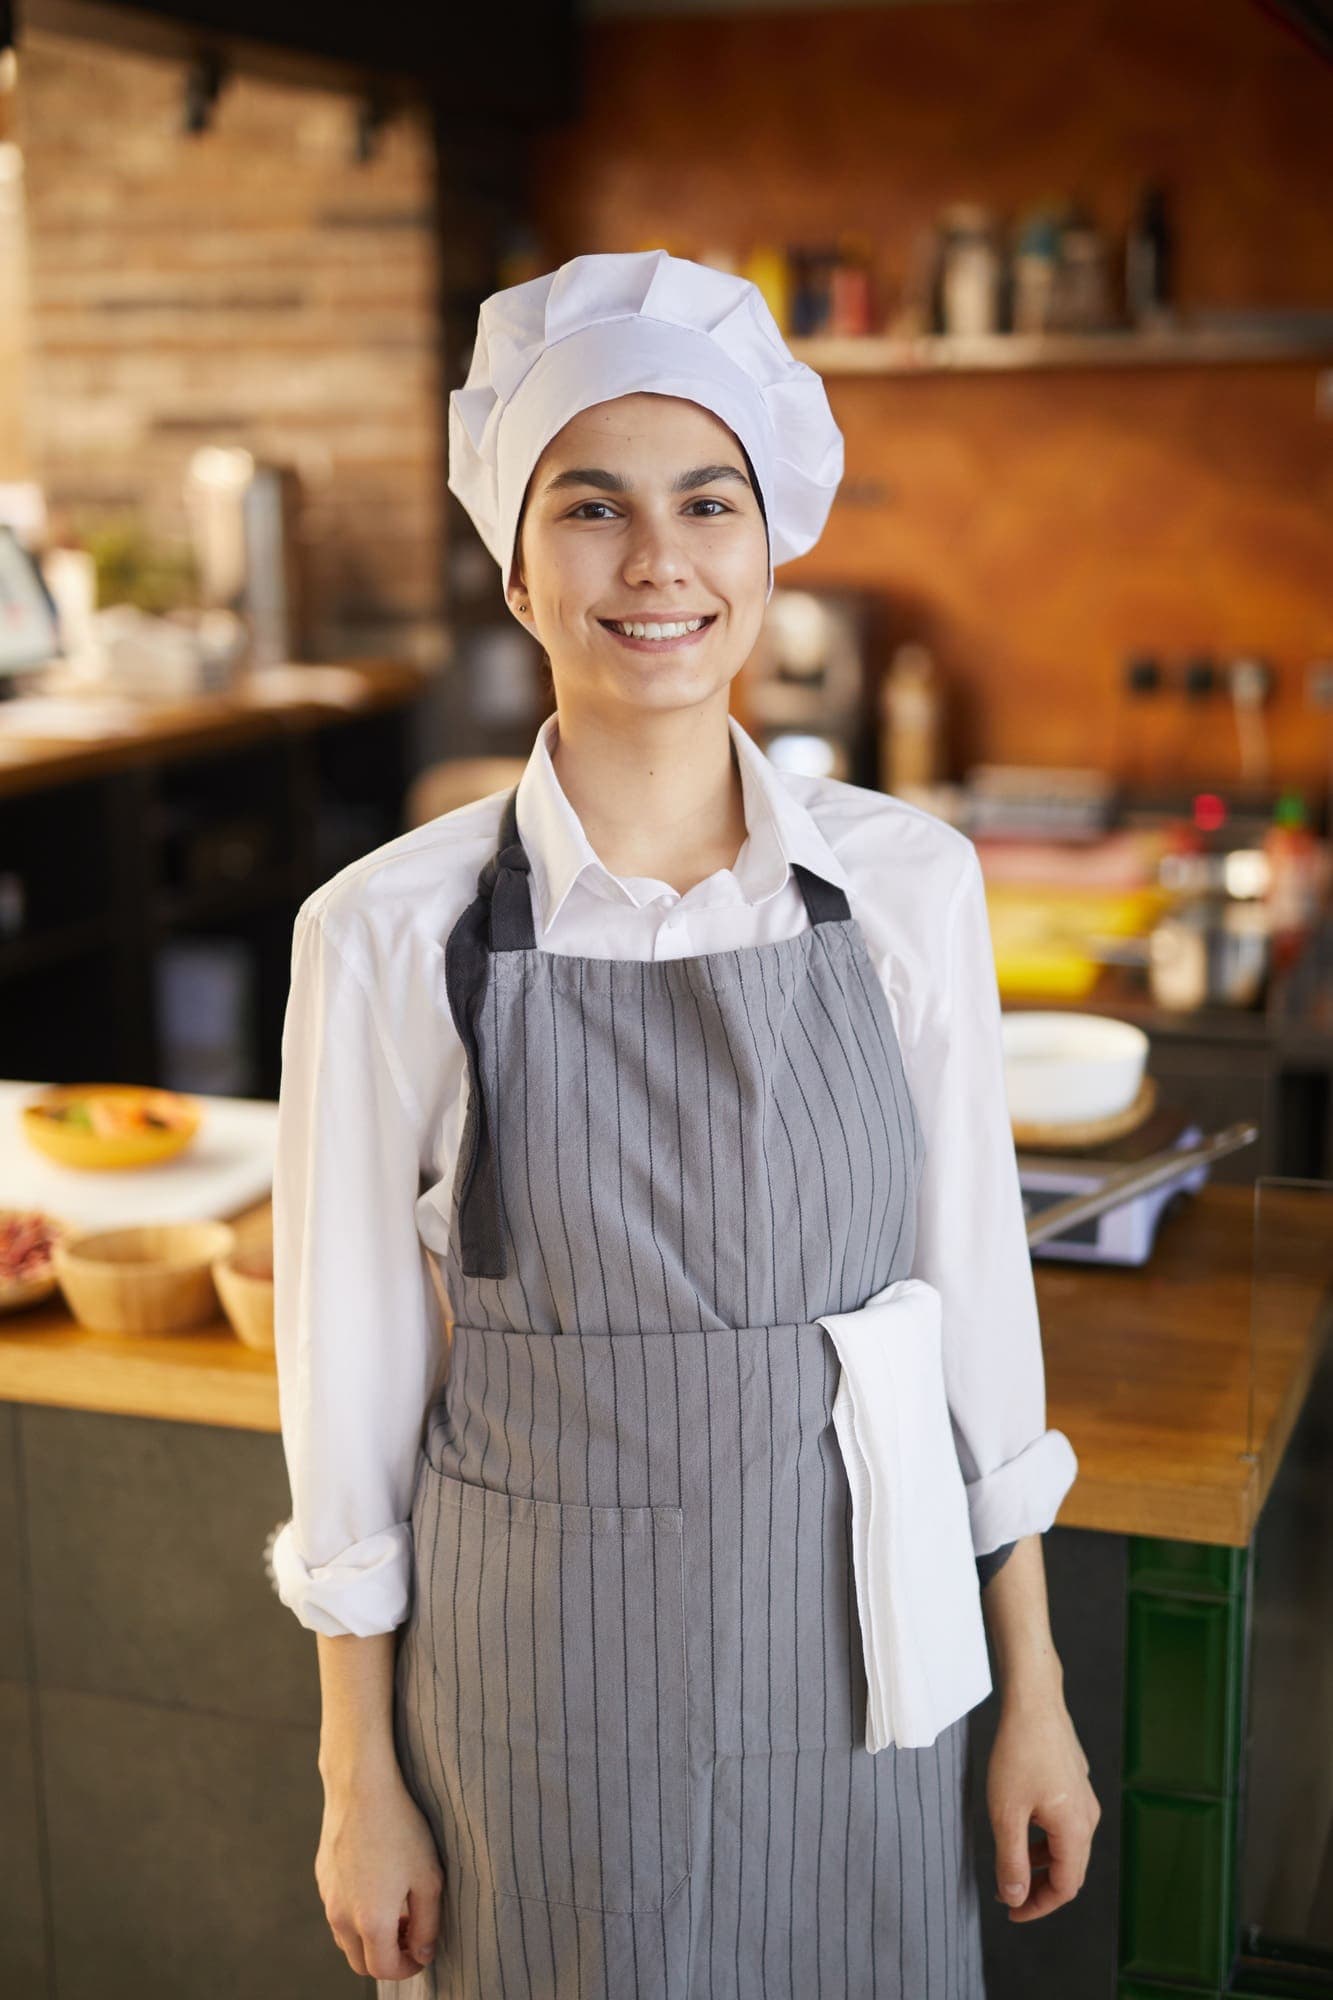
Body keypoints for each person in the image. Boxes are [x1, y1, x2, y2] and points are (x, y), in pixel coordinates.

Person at [269, 248, 1100, 1996]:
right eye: (591, 507)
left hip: (860, 1661)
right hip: (531, 1695)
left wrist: (1032, 1692)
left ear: (770, 540)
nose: (655, 562)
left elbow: (970, 1309)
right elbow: (348, 1391)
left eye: (704, 501)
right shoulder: (386, 933)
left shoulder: (903, 888)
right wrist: (359, 1777)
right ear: (513, 564)